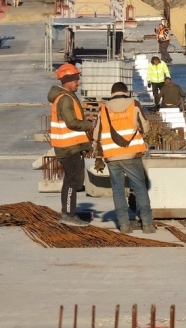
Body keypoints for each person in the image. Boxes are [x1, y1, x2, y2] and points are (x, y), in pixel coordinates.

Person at [92, 82, 155, 234]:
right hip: (132, 154)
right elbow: (145, 128)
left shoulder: (104, 108)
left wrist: (97, 154)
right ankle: (147, 225)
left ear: (111, 92)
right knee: (140, 188)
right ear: (126, 91)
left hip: (111, 156)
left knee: (118, 191)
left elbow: (96, 134)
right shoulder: (134, 104)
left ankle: (124, 226)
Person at [48, 63, 94, 227]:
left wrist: (83, 117)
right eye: (75, 79)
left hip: (69, 146)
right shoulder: (65, 99)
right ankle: (68, 214)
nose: (78, 82)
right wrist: (89, 125)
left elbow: (71, 119)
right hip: (68, 147)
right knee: (72, 181)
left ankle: (68, 212)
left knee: (72, 180)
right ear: (67, 80)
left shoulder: (65, 97)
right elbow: (71, 123)